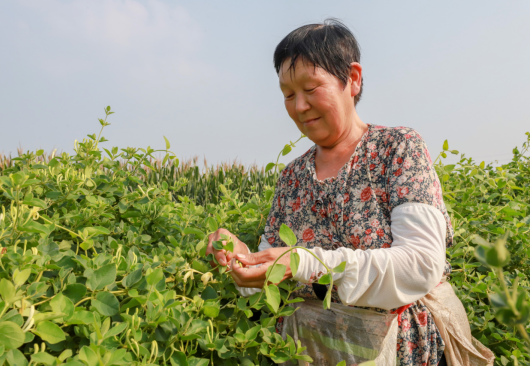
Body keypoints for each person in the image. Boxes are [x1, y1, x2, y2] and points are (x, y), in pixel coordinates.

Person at [206, 19, 493, 366]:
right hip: (307, 351)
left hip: (396, 351)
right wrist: (241, 260)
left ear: (352, 79)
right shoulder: (292, 176)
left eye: (311, 89)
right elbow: (271, 272)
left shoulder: (396, 149)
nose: (299, 107)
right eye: (288, 94)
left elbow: (420, 265)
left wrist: (304, 262)